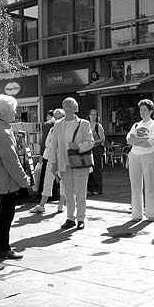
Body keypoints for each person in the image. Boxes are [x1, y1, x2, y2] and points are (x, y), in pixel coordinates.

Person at [0, 94, 29, 260]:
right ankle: (4, 248)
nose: (15, 113)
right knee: (6, 215)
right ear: (5, 112)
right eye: (14, 110)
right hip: (6, 182)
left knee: (1, 212)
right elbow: (11, 161)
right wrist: (24, 180)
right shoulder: (4, 131)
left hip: (0, 180)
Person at [50, 98, 94, 230]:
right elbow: (54, 145)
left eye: (70, 106)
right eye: (65, 106)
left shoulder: (84, 124)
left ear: (75, 108)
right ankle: (70, 218)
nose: (67, 108)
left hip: (80, 163)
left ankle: (81, 218)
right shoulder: (58, 124)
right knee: (68, 193)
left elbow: (91, 142)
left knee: (81, 193)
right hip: (65, 163)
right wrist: (53, 163)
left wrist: (79, 146)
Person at [126, 99, 154, 221]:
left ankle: (151, 214)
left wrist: (136, 141)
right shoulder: (136, 124)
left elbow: (150, 143)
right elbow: (129, 139)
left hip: (148, 155)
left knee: (150, 185)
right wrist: (140, 141)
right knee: (135, 186)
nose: (142, 112)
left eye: (145, 110)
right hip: (134, 156)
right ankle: (136, 214)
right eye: (141, 110)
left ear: (151, 111)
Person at [30, 108, 66, 214]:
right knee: (47, 181)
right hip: (51, 157)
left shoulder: (64, 130)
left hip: (61, 157)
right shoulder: (52, 129)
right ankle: (42, 205)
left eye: (59, 116)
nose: (57, 119)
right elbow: (47, 144)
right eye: (55, 117)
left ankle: (60, 204)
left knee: (62, 180)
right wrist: (44, 156)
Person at [88, 109, 105, 195]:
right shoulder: (86, 125)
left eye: (95, 114)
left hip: (96, 149)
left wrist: (94, 142)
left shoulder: (99, 126)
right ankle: (91, 188)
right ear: (89, 115)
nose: (93, 116)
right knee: (89, 169)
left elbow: (102, 139)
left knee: (97, 169)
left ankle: (98, 189)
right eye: (91, 114)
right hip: (88, 149)